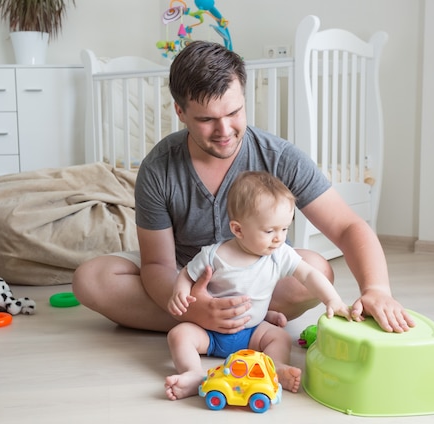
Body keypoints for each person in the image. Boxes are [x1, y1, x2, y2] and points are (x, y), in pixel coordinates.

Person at [72, 40, 413, 343]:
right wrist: (194, 307)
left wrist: (377, 290)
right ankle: (241, 323)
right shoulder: (159, 167)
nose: (224, 131)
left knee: (317, 269)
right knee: (91, 279)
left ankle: (223, 323)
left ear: (243, 98)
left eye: (234, 112)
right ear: (180, 112)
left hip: (259, 275)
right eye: (207, 119)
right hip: (186, 275)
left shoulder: (279, 156)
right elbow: (158, 264)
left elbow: (347, 226)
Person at [164, 171, 352, 400]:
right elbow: (186, 274)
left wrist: (332, 300)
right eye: (270, 231)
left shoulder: (279, 254)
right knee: (179, 335)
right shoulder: (213, 255)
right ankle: (193, 373)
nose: (279, 238)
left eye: (284, 229)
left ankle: (275, 368)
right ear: (238, 229)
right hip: (210, 333)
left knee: (279, 337)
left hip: (253, 332)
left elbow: (309, 274)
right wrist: (180, 291)